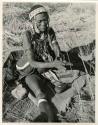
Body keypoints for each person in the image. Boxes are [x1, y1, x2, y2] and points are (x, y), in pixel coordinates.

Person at [16, 5, 66, 122]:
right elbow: (32, 63)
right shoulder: (27, 35)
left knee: (60, 88)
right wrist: (54, 64)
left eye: (46, 20)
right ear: (33, 21)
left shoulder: (49, 31)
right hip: (28, 69)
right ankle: (50, 118)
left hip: (43, 64)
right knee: (40, 93)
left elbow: (55, 46)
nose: (44, 23)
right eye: (40, 21)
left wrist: (59, 56)